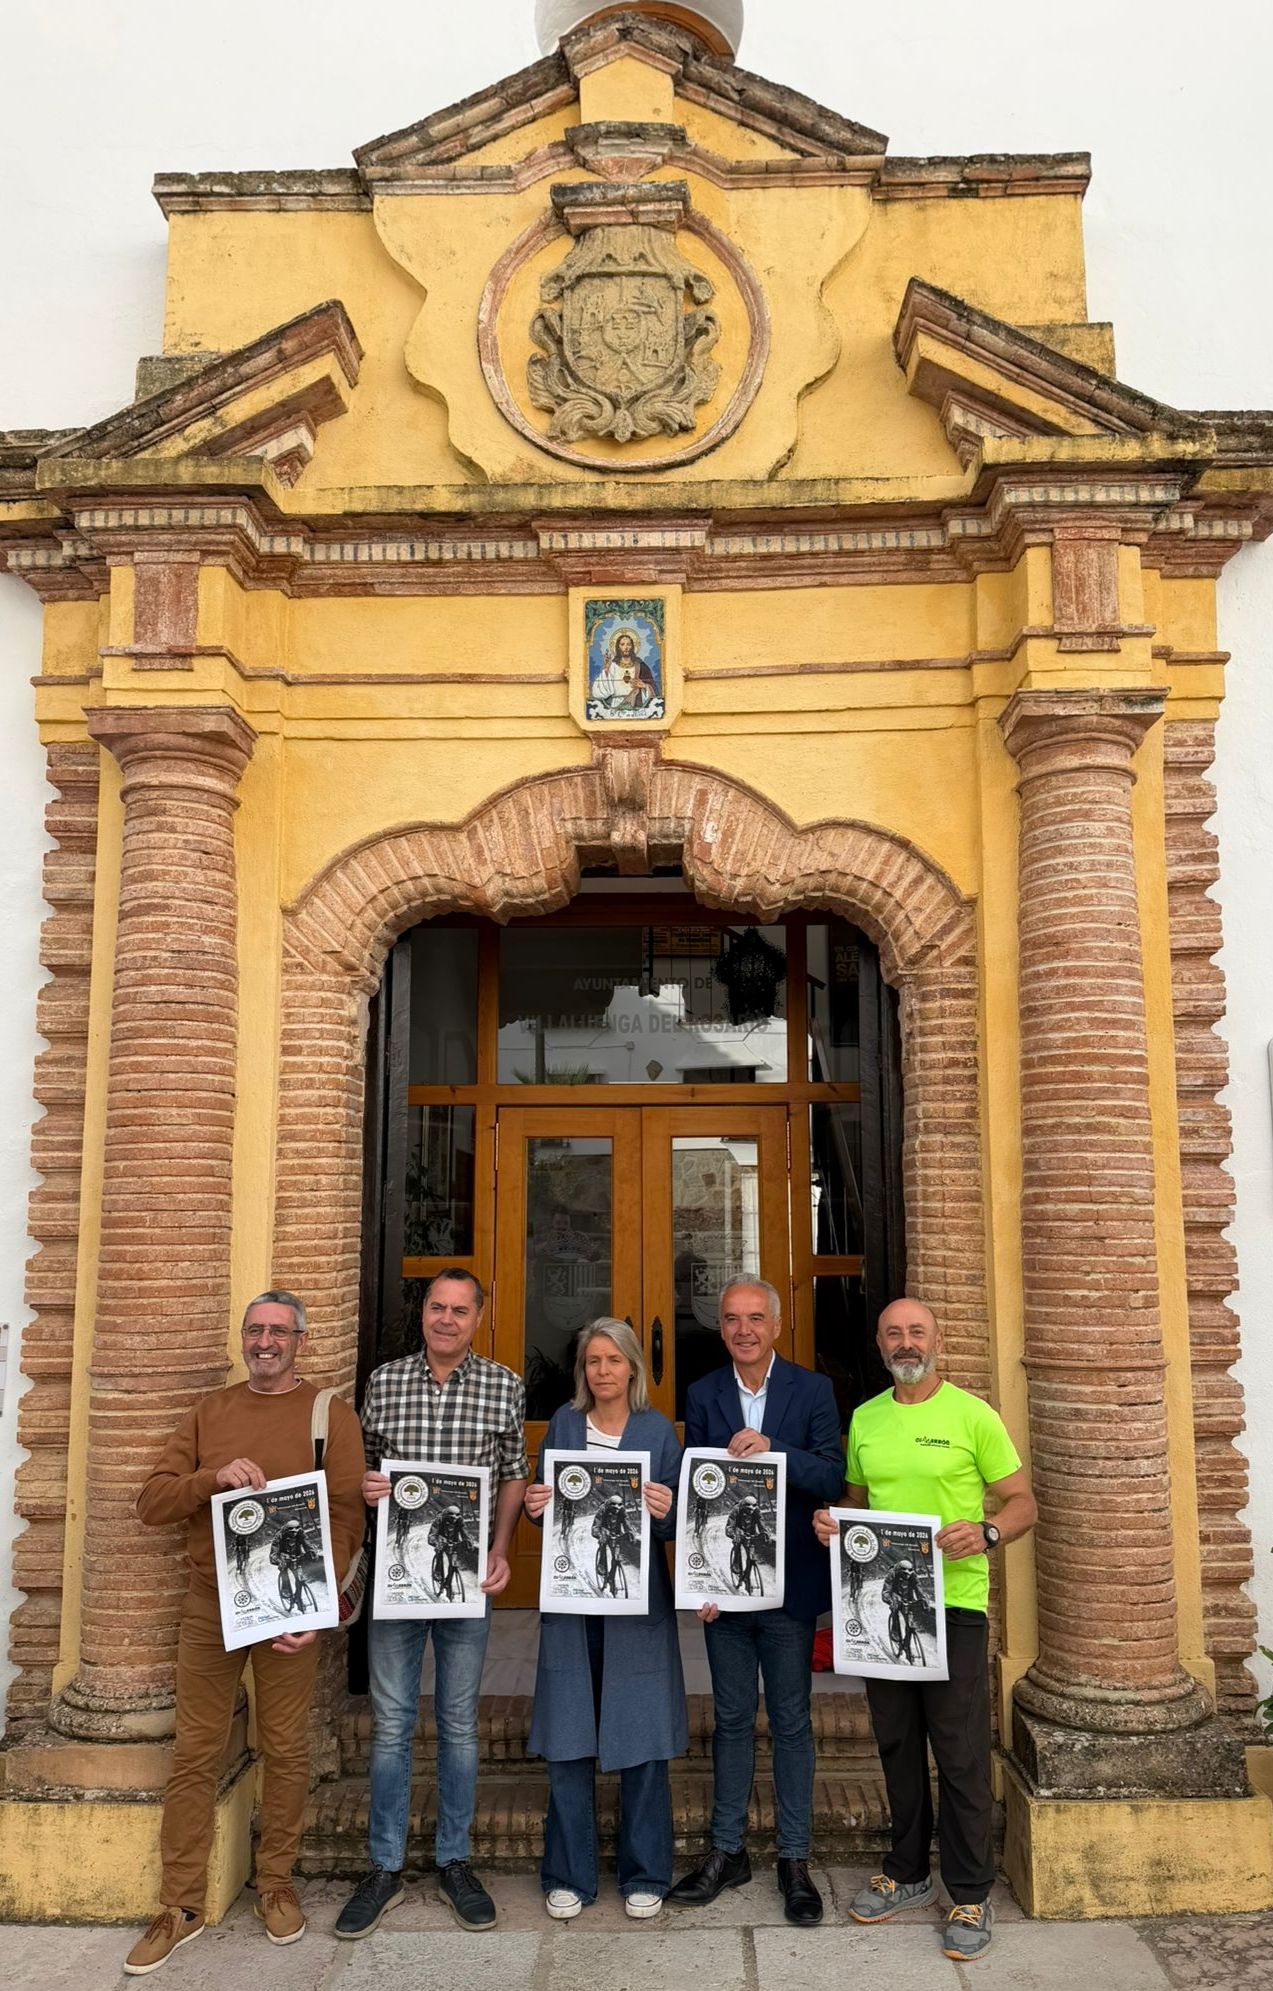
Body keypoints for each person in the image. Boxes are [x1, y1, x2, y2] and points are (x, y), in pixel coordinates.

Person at [123, 1290, 365, 1976]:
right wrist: (208, 1479)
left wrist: (321, 1612)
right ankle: (179, 1906)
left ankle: (277, 1883)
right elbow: (150, 1501)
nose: (264, 1340)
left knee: (284, 1747)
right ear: (243, 1338)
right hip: (211, 1606)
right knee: (195, 1751)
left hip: (288, 1612)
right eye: (255, 1329)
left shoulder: (329, 1415)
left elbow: (347, 1520)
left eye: (278, 1331)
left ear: (300, 1341)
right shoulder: (211, 1412)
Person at [814, 1296, 1037, 1963]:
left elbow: (1022, 1499)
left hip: (956, 1604)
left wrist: (989, 1530)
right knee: (896, 1743)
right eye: (892, 1333)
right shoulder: (865, 1418)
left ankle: (967, 1890)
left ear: (938, 1339)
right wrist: (830, 1520)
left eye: (915, 1331)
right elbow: (857, 1505)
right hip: (879, 1608)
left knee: (961, 1751)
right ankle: (907, 1871)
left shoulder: (972, 1414)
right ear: (879, 1345)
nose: (904, 1342)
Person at [336, 1270, 527, 1941]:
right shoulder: (384, 1382)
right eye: (436, 1308)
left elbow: (512, 1474)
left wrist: (500, 1548)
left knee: (458, 1722)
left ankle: (454, 1858)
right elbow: (365, 1471)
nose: (445, 1319)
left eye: (459, 1309)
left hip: (466, 1581)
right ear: (423, 1313)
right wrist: (364, 1484)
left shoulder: (503, 1384)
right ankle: (383, 1866)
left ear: (479, 1316)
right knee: (390, 1723)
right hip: (397, 1579)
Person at [667, 1279, 845, 1927]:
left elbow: (831, 1474)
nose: (743, 1329)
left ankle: (794, 1859)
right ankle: (726, 1851)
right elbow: (697, 1488)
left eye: (754, 1318)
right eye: (731, 1319)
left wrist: (776, 1451)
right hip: (726, 1587)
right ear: (721, 1328)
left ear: (775, 1324)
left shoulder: (813, 1389)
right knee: (733, 1718)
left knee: (792, 1721)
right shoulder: (703, 1392)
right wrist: (698, 1578)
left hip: (789, 1585)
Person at [524, 1318, 686, 1922]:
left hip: (636, 1602)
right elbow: (547, 1508)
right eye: (593, 1361)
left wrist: (666, 1509)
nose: (603, 1371)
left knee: (642, 1736)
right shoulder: (565, 1424)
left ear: (633, 1368)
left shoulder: (655, 1430)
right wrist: (538, 1508)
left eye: (613, 1361)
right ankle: (569, 1873)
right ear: (582, 1371)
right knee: (568, 1738)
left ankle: (646, 1872)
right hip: (571, 1602)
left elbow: (677, 1523)